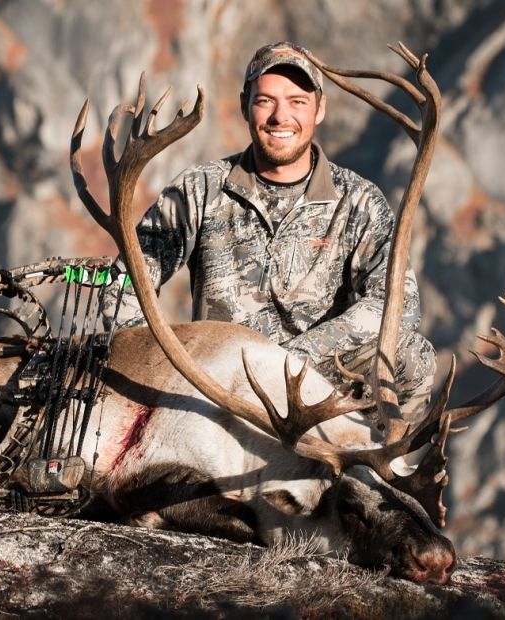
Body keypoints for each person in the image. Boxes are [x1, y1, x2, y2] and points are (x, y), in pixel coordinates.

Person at [104, 41, 436, 420]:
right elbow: (126, 279)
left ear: (320, 109)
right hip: (220, 387)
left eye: (297, 101)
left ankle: (366, 473)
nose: (281, 116)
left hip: (319, 384)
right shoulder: (201, 188)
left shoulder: (358, 200)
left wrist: (289, 362)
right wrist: (158, 364)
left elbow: (398, 306)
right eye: (266, 101)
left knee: (413, 358)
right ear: (246, 105)